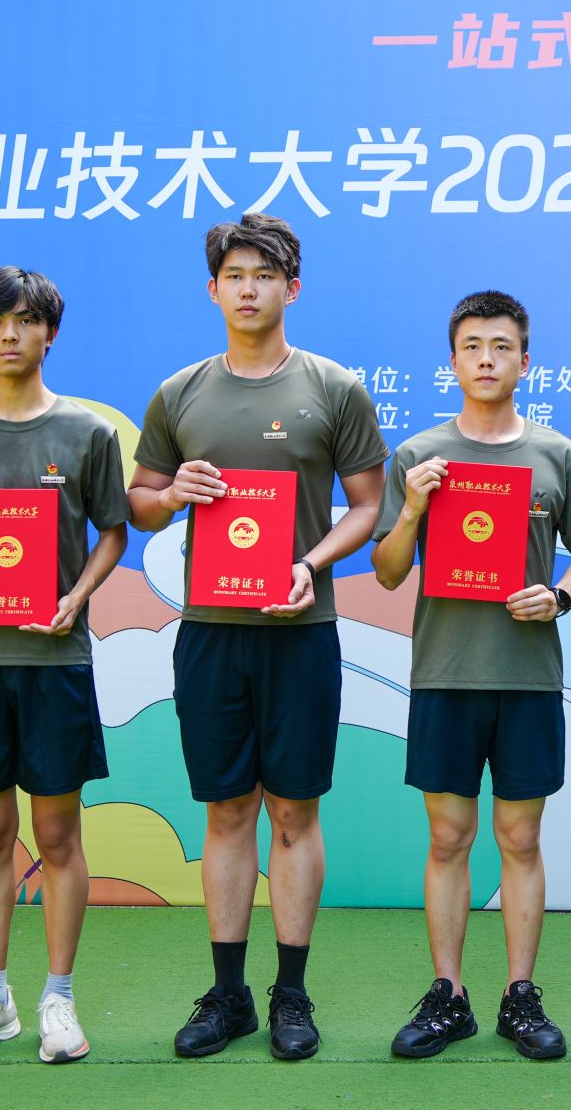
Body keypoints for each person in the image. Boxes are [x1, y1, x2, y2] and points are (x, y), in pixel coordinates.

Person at [127, 213, 387, 1062]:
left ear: (291, 288)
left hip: (300, 629)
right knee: (228, 809)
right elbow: (139, 501)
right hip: (210, 631)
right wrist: (174, 494)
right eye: (234, 275)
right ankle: (229, 993)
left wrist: (311, 562)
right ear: (213, 289)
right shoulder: (179, 392)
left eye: (264, 275)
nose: (248, 288)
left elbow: (369, 505)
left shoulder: (334, 387)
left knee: (295, 811)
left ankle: (292, 993)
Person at [372, 290, 571, 1062]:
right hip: (445, 672)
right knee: (448, 836)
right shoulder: (418, 454)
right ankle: (449, 995)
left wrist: (560, 594)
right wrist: (412, 507)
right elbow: (387, 569)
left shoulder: (556, 454)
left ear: (524, 360)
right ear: (452, 360)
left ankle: (520, 996)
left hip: (527, 676)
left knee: (520, 836)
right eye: (472, 345)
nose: (486, 358)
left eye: (502, 346)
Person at [0, 267, 130, 1065]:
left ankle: (59, 998)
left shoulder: (87, 432)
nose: (9, 333)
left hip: (53, 658)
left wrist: (77, 595)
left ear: (50, 333)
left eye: (24, 320)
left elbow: (113, 530)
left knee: (57, 832)